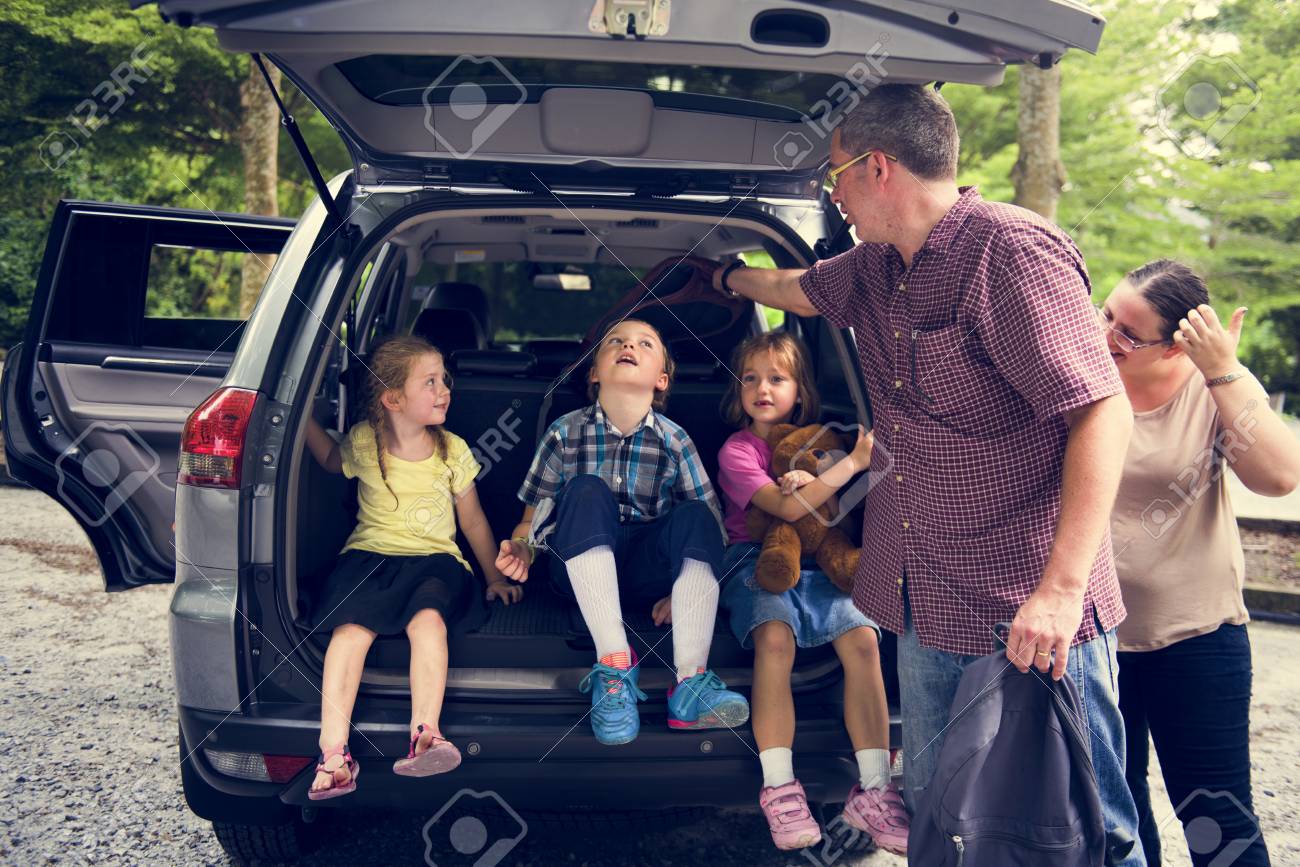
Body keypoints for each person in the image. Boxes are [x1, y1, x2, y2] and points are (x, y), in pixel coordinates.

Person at [712, 83, 1145, 863]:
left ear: (878, 168)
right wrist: (725, 279)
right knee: (939, 818)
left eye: (834, 174)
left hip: (1024, 612)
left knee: (1086, 823)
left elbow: (1101, 413)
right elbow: (791, 291)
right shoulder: (874, 267)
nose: (831, 193)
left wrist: (1059, 590)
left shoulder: (1011, 253)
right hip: (921, 601)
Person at [1103, 259, 1297, 866]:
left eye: (1130, 333)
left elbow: (1280, 476)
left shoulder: (1211, 387)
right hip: (1094, 637)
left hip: (1197, 636)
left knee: (1215, 814)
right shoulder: (1081, 377)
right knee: (1114, 817)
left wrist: (1222, 368)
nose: (1108, 334)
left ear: (1174, 347)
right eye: (1106, 314)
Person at [495, 318, 748, 746]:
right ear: (594, 372)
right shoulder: (565, 431)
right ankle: (613, 667)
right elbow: (532, 519)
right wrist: (523, 548)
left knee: (697, 516)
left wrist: (684, 592)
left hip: (649, 573)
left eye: (644, 344)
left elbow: (711, 532)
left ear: (661, 379)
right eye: (616, 341)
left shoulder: (676, 441)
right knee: (587, 490)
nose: (629, 345)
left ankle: (691, 686)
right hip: (577, 570)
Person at [301, 335, 522, 799]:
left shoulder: (452, 450)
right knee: (350, 632)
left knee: (428, 623)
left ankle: (426, 735)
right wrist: (299, 415)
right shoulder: (364, 441)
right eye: (430, 381)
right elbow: (326, 458)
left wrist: (494, 577)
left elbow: (474, 521)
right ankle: (334, 755)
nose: (444, 390)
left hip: (434, 563)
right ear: (393, 398)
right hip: (369, 560)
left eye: (445, 379)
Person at [716, 331, 908, 854]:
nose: (763, 388)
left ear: (799, 390)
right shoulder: (738, 450)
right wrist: (852, 465)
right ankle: (779, 785)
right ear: (737, 393)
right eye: (750, 378)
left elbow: (829, 512)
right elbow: (785, 510)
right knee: (774, 639)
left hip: (821, 563)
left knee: (864, 640)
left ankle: (874, 788)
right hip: (759, 560)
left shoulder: (820, 443)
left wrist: (835, 465)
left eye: (777, 378)